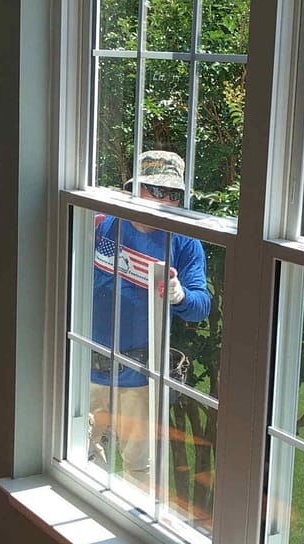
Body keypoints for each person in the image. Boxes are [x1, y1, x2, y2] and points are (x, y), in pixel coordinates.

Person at [88, 150, 211, 486]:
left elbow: (202, 305)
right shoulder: (102, 223)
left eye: (173, 194)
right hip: (84, 364)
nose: (164, 201)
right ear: (133, 188)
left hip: (139, 376)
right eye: (155, 191)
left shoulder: (184, 242)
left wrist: (181, 295)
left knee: (139, 470)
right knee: (77, 449)